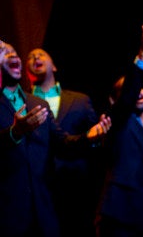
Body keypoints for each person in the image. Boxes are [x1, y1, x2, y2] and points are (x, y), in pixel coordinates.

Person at [0, 41, 110, 237]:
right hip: (7, 214)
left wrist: (87, 137)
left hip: (43, 214)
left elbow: (63, 144)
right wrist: (14, 132)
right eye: (2, 52)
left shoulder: (37, 102)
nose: (12, 55)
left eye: (14, 52)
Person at [95, 19, 143, 237]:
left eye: (141, 88)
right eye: (132, 90)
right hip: (120, 216)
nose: (139, 92)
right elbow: (127, 99)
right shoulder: (118, 123)